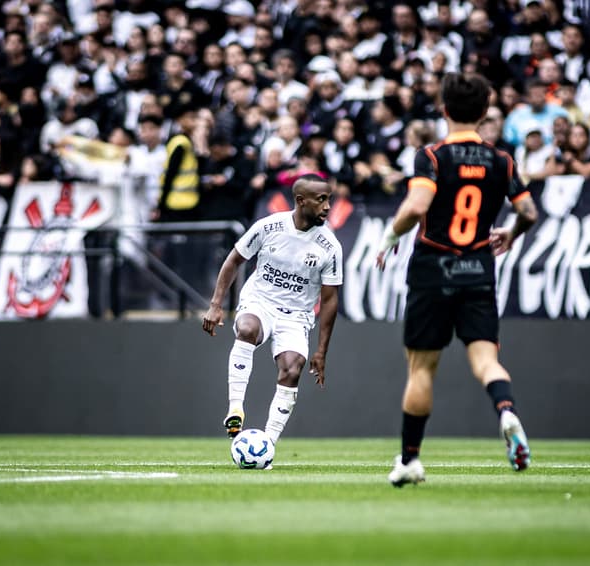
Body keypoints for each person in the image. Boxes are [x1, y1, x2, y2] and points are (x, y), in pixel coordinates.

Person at [376, 72, 538, 487]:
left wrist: (391, 235)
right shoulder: (502, 160)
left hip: (433, 269)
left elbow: (417, 205)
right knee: (486, 361)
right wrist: (511, 233)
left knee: (421, 370)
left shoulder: (431, 156)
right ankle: (506, 412)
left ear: (444, 110)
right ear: (485, 112)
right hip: (478, 269)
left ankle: (410, 460)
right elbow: (529, 213)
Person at [202, 174, 343, 453]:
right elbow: (234, 260)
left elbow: (329, 300)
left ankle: (267, 444)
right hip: (260, 301)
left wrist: (321, 350)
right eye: (321, 200)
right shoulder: (268, 227)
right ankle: (235, 409)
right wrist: (216, 304)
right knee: (247, 329)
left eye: (329, 199)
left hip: (297, 316)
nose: (327, 207)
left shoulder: (330, 246)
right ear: (301, 201)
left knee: (292, 369)